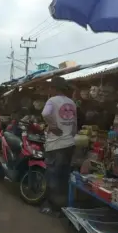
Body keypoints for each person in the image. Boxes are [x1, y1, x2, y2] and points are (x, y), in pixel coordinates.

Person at [40, 77, 77, 215]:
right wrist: (70, 135)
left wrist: (53, 126)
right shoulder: (71, 102)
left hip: (55, 145)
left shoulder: (52, 101)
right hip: (69, 145)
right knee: (64, 177)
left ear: (54, 88)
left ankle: (51, 206)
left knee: (53, 176)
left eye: (50, 87)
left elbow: (45, 113)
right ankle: (63, 208)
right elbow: (74, 125)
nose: (49, 89)